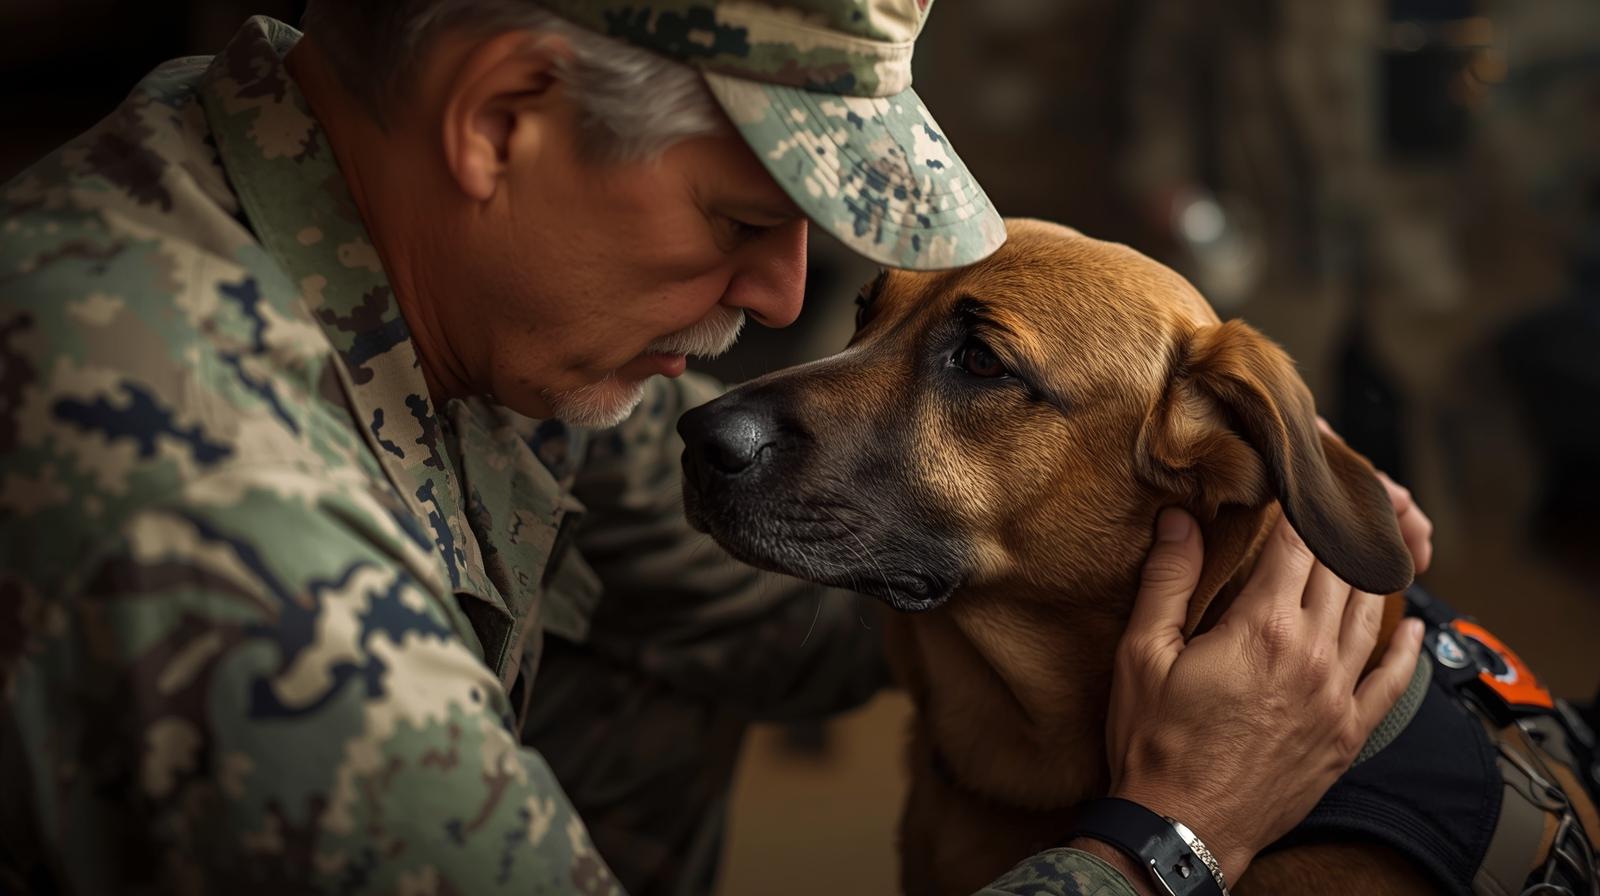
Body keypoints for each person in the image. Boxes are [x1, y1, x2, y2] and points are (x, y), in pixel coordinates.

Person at [0, 2, 1430, 893]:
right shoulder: (212, 508)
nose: (779, 299)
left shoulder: (438, 286)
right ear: (503, 120)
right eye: (742, 219)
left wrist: (1181, 580)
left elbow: (762, 621)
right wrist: (1172, 838)